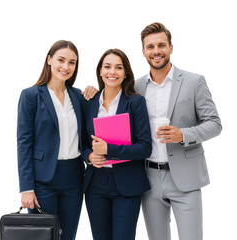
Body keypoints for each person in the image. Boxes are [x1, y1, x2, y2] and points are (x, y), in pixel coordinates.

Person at [135, 22, 222, 240]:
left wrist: (183, 135)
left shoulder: (194, 81)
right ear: (144, 51)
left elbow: (214, 123)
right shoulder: (136, 87)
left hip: (186, 177)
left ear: (171, 48)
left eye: (161, 45)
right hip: (149, 178)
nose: (156, 51)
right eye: (150, 46)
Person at [17, 40, 97, 240]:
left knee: (68, 236)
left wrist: (95, 92)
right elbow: (24, 144)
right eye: (61, 60)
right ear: (49, 60)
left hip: (74, 177)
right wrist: (27, 188)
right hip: (43, 180)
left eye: (72, 62)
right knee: (45, 236)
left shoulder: (78, 96)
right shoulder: (31, 96)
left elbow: (88, 133)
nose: (66, 67)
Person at [82, 48, 152, 240]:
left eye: (118, 67)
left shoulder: (135, 102)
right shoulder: (89, 102)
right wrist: (88, 155)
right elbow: (81, 142)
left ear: (126, 73)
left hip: (127, 183)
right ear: (100, 71)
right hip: (96, 184)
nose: (112, 72)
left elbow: (145, 147)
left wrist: (109, 150)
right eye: (107, 67)